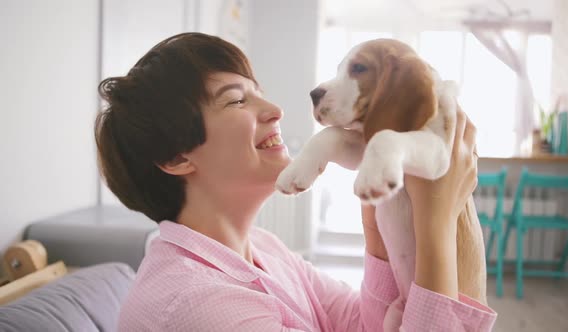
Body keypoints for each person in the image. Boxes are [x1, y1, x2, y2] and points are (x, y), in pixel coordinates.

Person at [95, 32, 496, 331]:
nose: (275, 109)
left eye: (259, 93)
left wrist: (378, 229)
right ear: (176, 157)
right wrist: (437, 223)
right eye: (237, 100)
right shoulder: (201, 306)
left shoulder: (265, 252)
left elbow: (360, 325)